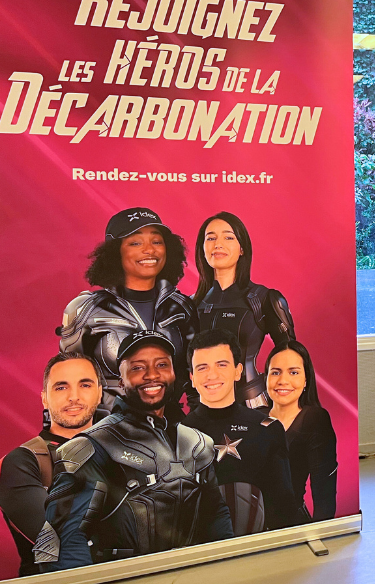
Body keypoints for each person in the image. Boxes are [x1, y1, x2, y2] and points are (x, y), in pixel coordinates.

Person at [34, 331, 233, 570]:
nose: (152, 375)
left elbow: (217, 520)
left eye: (162, 365)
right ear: (121, 380)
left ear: (174, 373)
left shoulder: (199, 444)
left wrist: (226, 575)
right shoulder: (94, 446)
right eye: (138, 368)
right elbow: (60, 544)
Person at [58, 207, 198, 417]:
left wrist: (198, 425)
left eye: (156, 241)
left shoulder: (182, 307)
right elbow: (64, 379)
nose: (149, 250)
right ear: (115, 252)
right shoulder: (86, 309)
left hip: (169, 425)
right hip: (106, 427)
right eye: (135, 243)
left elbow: (196, 376)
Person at [183, 329, 303, 535]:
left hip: (259, 548)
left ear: (238, 371)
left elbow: (285, 508)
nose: (212, 375)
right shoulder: (176, 435)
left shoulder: (268, 429)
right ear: (192, 378)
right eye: (202, 368)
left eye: (221, 365)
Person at [0, 352, 102, 576]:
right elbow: (58, 546)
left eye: (85, 385)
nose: (74, 397)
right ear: (44, 398)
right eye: (61, 387)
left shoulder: (127, 451)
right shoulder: (23, 461)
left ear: (100, 393)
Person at [193, 212, 295, 408]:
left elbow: (291, 358)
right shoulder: (191, 305)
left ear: (242, 248)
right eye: (211, 238)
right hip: (203, 407)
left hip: (252, 404)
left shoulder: (264, 299)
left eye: (228, 237)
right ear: (202, 248)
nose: (218, 244)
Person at [265, 340, 337, 522]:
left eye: (294, 372)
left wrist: (320, 532)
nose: (283, 381)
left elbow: (324, 494)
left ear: (306, 380)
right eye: (275, 372)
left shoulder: (315, 419)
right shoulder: (253, 417)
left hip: (290, 526)